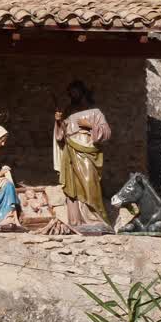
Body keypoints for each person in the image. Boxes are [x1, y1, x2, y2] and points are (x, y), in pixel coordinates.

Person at [53, 80, 112, 227]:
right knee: (73, 186)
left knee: (90, 184)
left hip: (88, 152)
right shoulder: (68, 112)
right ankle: (77, 221)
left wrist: (90, 125)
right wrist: (59, 122)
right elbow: (61, 136)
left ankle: (97, 220)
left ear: (82, 92)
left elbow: (106, 133)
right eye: (70, 93)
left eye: (75, 92)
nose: (73, 95)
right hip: (71, 151)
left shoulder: (95, 112)